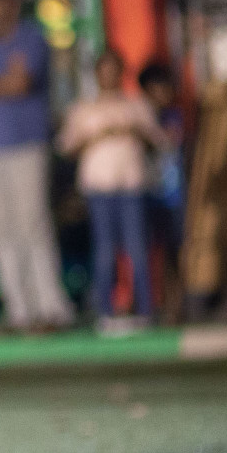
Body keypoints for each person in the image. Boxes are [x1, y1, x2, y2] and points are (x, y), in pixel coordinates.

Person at [0, 0, 74, 332]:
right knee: (2, 230)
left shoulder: (30, 37)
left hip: (27, 145)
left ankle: (52, 310)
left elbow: (20, 83)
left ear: (10, 4)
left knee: (33, 224)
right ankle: (19, 312)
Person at [58, 50, 166, 332]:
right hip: (99, 188)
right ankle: (105, 312)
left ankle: (145, 310)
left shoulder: (136, 106)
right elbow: (66, 148)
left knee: (137, 249)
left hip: (132, 185)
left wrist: (134, 131)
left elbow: (159, 142)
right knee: (104, 250)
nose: (109, 75)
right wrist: (96, 136)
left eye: (114, 69)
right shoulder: (84, 109)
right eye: (103, 70)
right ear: (96, 74)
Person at [138, 61, 186, 318]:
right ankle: (150, 304)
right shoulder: (141, 116)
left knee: (174, 251)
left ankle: (176, 305)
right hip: (147, 194)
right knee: (146, 250)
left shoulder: (175, 116)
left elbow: (170, 144)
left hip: (173, 195)